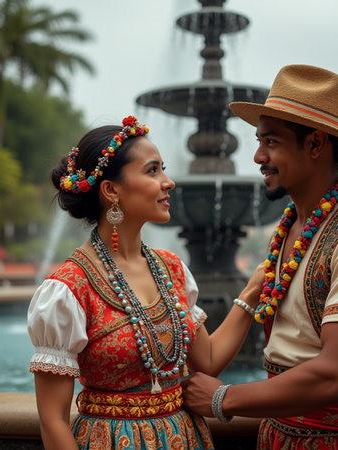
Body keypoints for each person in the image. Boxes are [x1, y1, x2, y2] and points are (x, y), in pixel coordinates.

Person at [181, 64, 338, 449]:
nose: (257, 156)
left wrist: (224, 398)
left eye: (271, 142)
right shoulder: (291, 229)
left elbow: (337, 376)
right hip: (278, 436)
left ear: (316, 144)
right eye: (258, 141)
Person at [27, 115, 263, 449]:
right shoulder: (69, 287)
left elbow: (207, 361)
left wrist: (252, 290)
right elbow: (52, 422)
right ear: (111, 190)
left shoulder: (172, 269)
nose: (169, 182)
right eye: (152, 171)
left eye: (163, 169)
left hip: (185, 438)